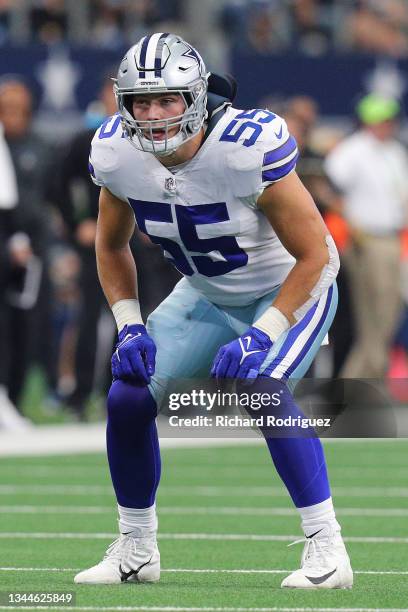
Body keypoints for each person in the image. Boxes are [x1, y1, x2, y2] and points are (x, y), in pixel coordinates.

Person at [74, 33, 352, 590]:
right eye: (140, 102)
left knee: (262, 385)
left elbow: (317, 254)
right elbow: (110, 245)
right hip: (205, 289)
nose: (153, 115)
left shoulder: (245, 145)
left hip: (290, 287)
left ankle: (329, 551)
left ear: (196, 97)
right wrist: (129, 324)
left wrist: (263, 332)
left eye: (168, 100)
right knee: (127, 394)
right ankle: (137, 547)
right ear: (122, 104)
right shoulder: (115, 152)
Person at [325, 93, 408, 379]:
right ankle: (361, 376)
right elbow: (330, 187)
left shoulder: (394, 151)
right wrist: (351, 222)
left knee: (388, 308)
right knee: (373, 311)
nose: (389, 124)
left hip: (393, 238)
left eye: (390, 119)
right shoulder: (352, 150)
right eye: (382, 119)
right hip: (367, 240)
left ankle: (364, 374)